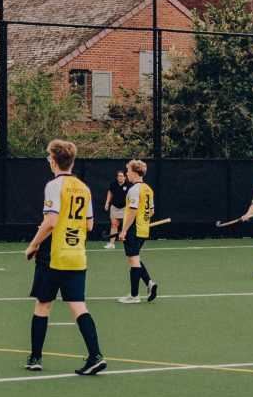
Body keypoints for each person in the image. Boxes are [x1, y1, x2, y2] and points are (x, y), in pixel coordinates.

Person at [23, 138, 105, 375]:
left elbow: (51, 222)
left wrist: (33, 245)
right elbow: (89, 225)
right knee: (78, 305)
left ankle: (35, 358)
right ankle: (95, 355)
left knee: (43, 304)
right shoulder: (83, 187)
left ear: (53, 161)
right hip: (76, 253)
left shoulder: (54, 185)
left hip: (53, 253)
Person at [117, 158, 158, 304]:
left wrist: (124, 231)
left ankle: (134, 296)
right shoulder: (148, 189)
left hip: (133, 230)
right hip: (143, 230)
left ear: (134, 172)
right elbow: (151, 211)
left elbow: (132, 212)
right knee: (135, 259)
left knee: (133, 261)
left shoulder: (134, 190)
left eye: (128, 171)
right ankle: (149, 283)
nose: (127, 174)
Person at [102, 165, 131, 251]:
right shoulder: (113, 184)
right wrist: (107, 203)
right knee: (114, 225)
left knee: (126, 226)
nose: (119, 177)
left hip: (125, 208)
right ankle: (112, 244)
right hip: (114, 207)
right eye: (118, 176)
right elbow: (110, 193)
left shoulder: (128, 186)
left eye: (121, 176)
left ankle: (128, 242)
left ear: (125, 177)